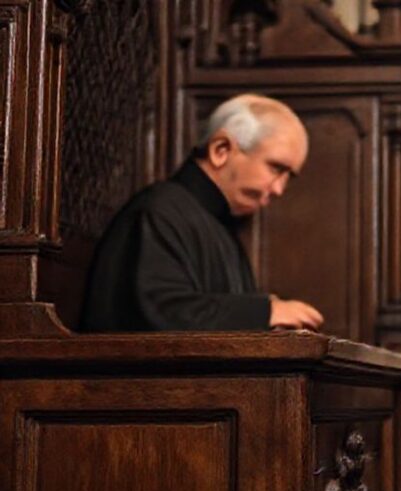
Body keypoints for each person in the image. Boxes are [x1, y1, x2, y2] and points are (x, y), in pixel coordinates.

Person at [80, 94, 324, 332]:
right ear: (221, 150)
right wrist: (265, 312)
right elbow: (155, 315)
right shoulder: (157, 211)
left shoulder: (219, 223)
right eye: (275, 168)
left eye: (288, 177)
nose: (280, 189)